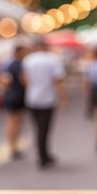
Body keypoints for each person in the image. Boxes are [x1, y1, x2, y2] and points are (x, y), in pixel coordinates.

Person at [22, 37, 67, 168]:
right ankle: (43, 155)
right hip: (47, 98)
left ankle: (43, 153)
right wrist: (63, 98)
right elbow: (58, 82)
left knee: (38, 128)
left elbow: (25, 79)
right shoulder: (52, 60)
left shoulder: (28, 60)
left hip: (32, 98)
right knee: (44, 128)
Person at [2, 44, 28, 160]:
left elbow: (5, 81)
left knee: (11, 121)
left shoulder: (8, 65)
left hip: (10, 95)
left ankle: (12, 145)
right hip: (18, 95)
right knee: (16, 121)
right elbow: (24, 81)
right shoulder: (21, 65)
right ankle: (14, 145)